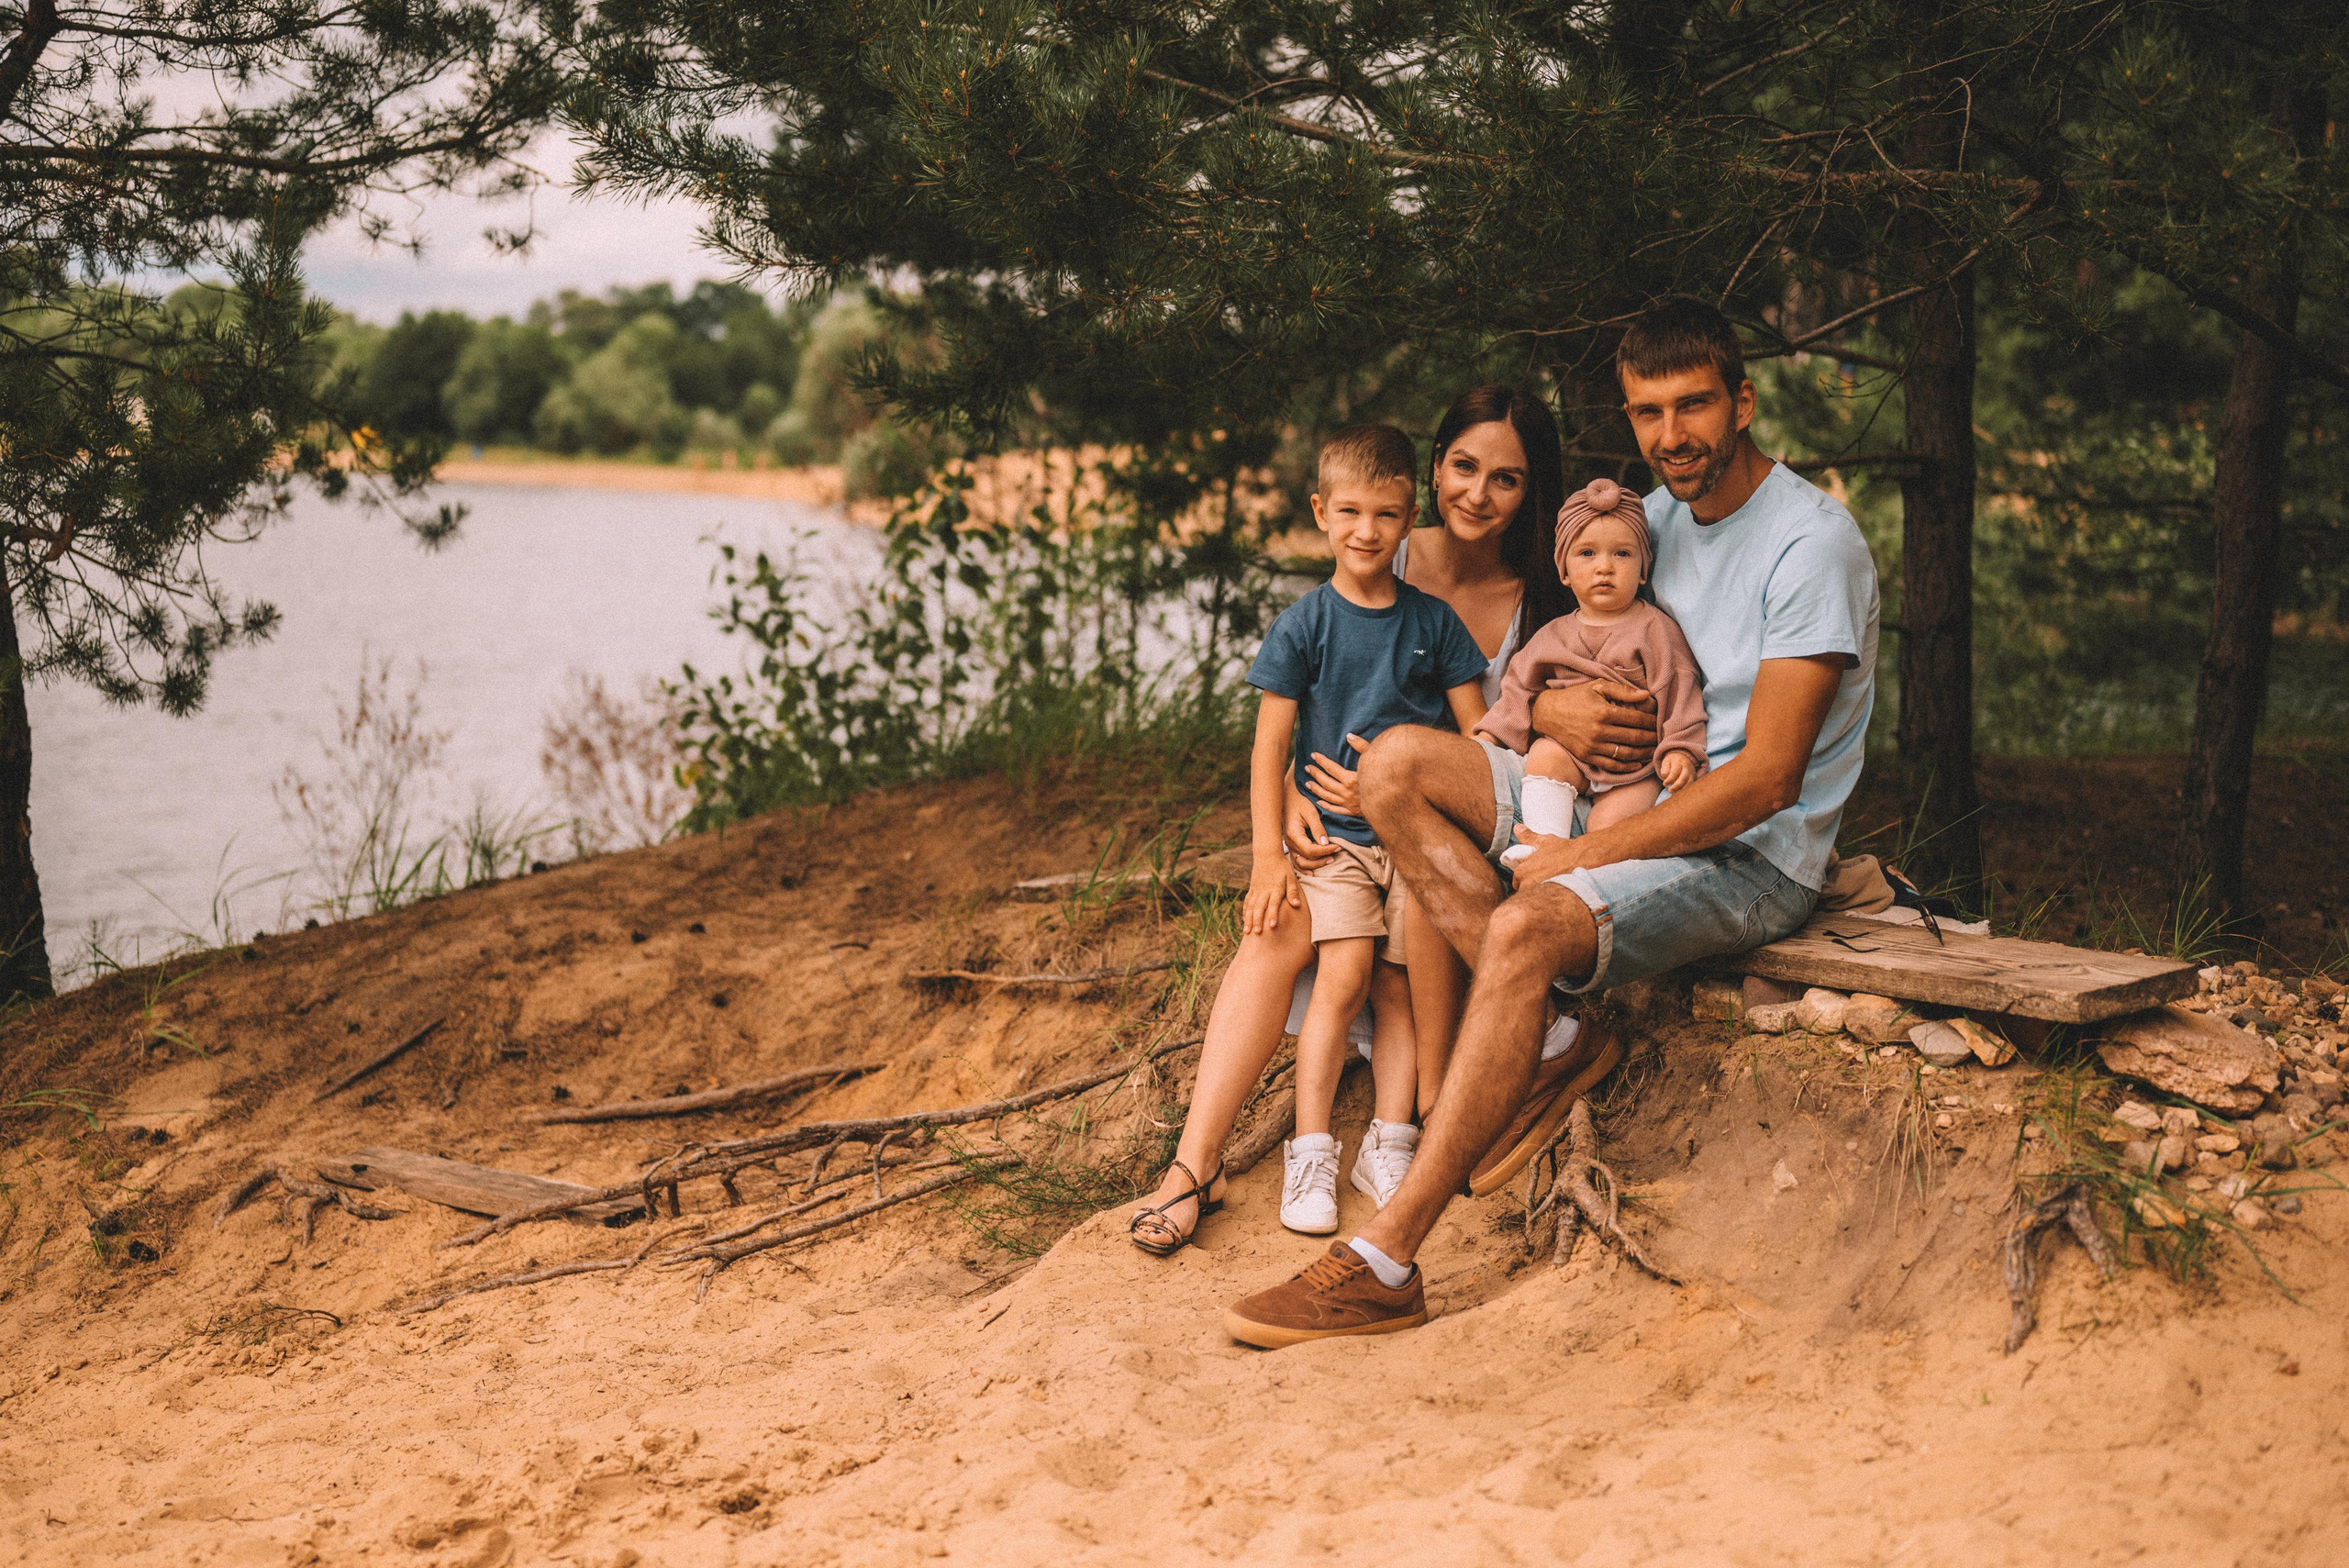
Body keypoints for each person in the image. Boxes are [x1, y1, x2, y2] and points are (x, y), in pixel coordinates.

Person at [1222, 296, 1880, 1346]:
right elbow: (1580, 645)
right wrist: (1547, 724)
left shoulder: (1811, 545)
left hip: (1747, 854)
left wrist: (1576, 855)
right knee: (1395, 767)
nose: (1673, 435)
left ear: (1743, 400)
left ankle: (1386, 1257)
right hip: (1609, 796)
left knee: (1529, 924)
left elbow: (1766, 779)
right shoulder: (1650, 520)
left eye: (1695, 405)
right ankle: (1559, 1035)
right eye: (1648, 412)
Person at [1129, 424, 1488, 1255]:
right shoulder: (1305, 625)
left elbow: (1480, 744)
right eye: (1352, 512)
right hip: (1332, 842)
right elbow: (1269, 750)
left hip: (1416, 842)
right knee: (1345, 971)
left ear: (1409, 519)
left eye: (1387, 515)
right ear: (1322, 512)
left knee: (1397, 983)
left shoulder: (1434, 625)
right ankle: (1308, 1151)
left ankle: (1389, 1143)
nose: (1368, 531)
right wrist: (1267, 854)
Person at [1282, 384, 1575, 1120]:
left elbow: (1505, 741)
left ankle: (1442, 1090)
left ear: (1530, 490)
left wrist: (1386, 785)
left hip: (1474, 810)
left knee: (1418, 854)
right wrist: (1295, 792)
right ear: (1436, 468)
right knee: (1334, 936)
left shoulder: (1543, 594)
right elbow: (1320, 693)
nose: (1478, 494)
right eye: (1465, 467)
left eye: (1505, 479)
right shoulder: (1381, 544)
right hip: (1349, 820)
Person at [1480, 476, 1707, 864]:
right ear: (1564, 571)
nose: (1605, 567)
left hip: (1634, 771)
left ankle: (1585, 872)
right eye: (1587, 554)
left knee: (1609, 828)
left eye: (1622, 554)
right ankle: (1540, 844)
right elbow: (1518, 689)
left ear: (1642, 570)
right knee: (1545, 756)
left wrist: (1681, 751)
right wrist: (1490, 736)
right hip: (1571, 756)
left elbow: (1681, 693)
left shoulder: (1656, 630)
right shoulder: (1553, 634)